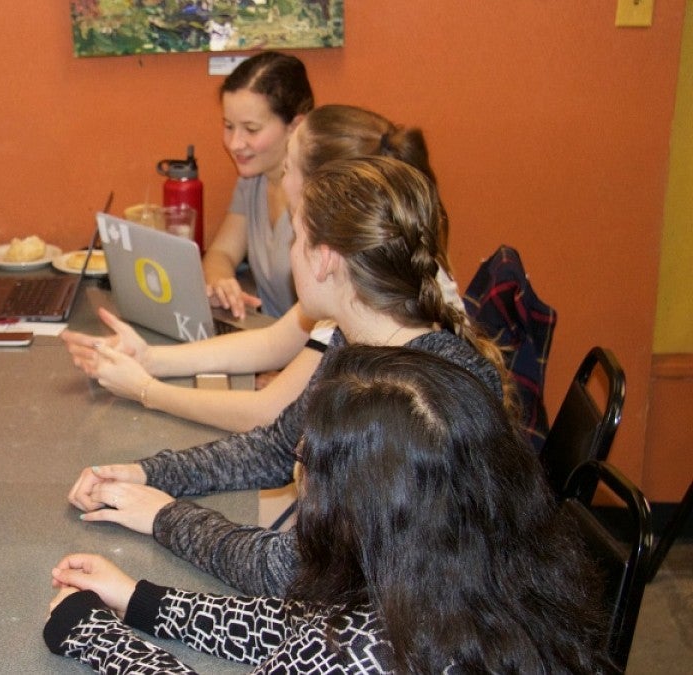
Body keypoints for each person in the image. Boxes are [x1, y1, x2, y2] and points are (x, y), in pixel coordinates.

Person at [67, 156, 515, 598]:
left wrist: (165, 516)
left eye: (296, 239)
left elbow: (289, 572)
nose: (290, 254)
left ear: (324, 260)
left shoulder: (397, 406)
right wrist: (147, 474)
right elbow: (276, 447)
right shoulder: (356, 341)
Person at [46, 346, 613, 673]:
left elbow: (321, 644)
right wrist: (142, 600)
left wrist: (94, 636)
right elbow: (302, 629)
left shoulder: (367, 652)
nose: (299, 466)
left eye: (309, 464)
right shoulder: (485, 567)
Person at [62, 105, 467, 432]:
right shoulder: (357, 263)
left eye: (288, 168)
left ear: (323, 186)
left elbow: (269, 413)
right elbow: (274, 342)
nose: (280, 178)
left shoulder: (361, 286)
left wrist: (146, 391)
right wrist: (152, 359)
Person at [203, 50, 313, 320]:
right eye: (229, 126)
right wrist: (222, 283)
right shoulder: (251, 179)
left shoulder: (322, 196)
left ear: (295, 126)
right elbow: (221, 253)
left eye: (251, 129)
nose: (234, 143)